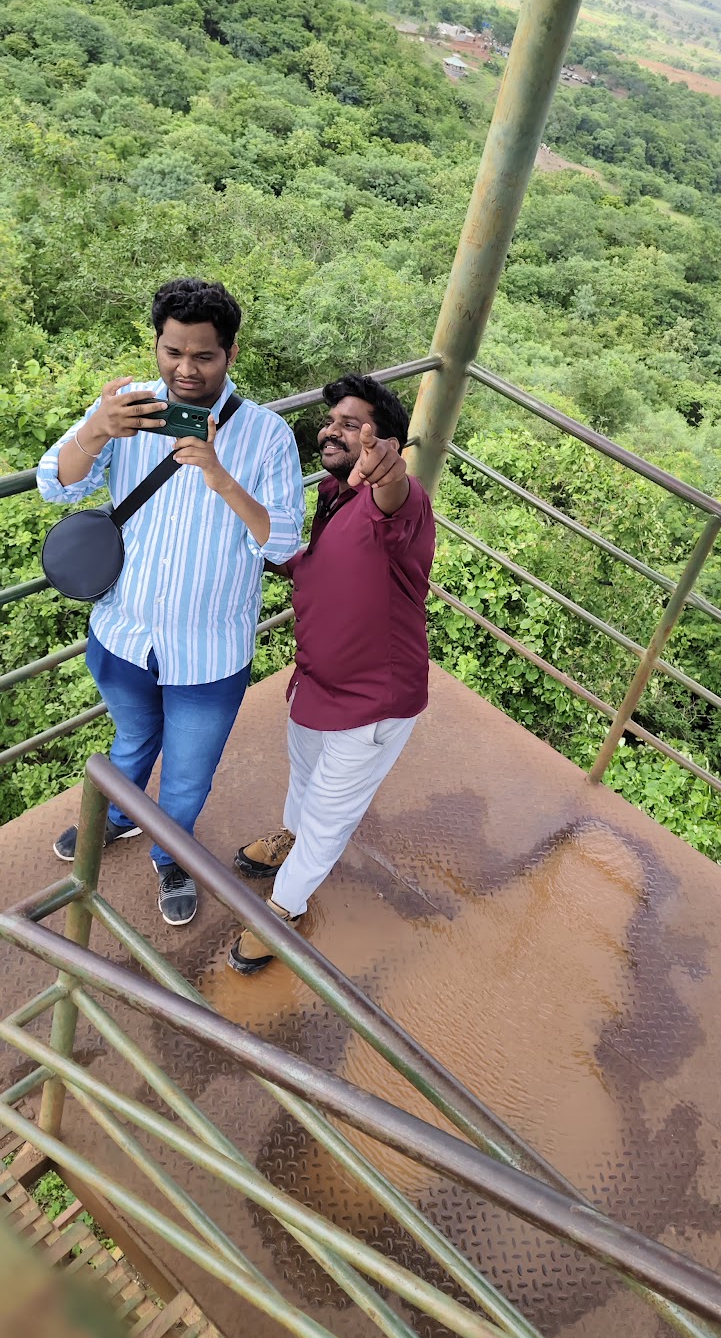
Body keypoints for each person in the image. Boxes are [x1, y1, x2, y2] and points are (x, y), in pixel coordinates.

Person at [37, 278, 305, 926]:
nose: (186, 369)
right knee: (131, 741)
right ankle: (120, 816)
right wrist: (96, 431)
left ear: (231, 353)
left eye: (203, 355)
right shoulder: (126, 411)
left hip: (210, 654)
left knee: (187, 776)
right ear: (156, 344)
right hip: (125, 635)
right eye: (173, 351)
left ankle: (170, 857)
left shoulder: (267, 436)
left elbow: (284, 542)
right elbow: (56, 485)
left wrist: (218, 474)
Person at [228, 373, 435, 974]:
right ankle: (288, 843)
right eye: (333, 421)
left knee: (330, 814)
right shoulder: (329, 494)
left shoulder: (397, 500)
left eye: (354, 424)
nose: (335, 431)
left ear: (386, 443)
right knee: (303, 777)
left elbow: (392, 495)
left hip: (373, 702)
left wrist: (387, 471)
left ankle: (284, 908)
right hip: (314, 681)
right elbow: (296, 558)